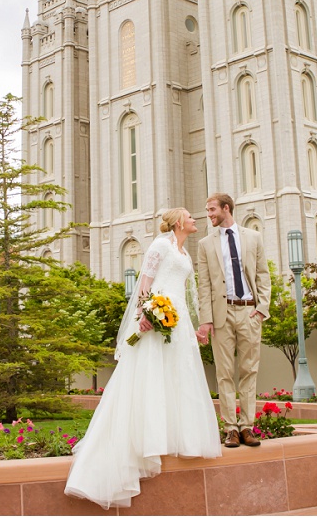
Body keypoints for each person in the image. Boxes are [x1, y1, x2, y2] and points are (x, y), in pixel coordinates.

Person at [64, 208, 221, 509]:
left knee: (179, 375)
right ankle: (145, 442)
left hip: (179, 320)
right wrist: (144, 313)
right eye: (190, 217)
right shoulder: (161, 245)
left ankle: (177, 437)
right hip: (155, 317)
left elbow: (186, 294)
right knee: (149, 376)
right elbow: (145, 281)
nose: (195, 220)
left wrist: (197, 326)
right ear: (178, 222)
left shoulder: (186, 255)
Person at [195, 192, 271, 448]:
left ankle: (247, 426)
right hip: (221, 314)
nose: (209, 214)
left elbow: (263, 274)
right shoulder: (205, 244)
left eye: (212, 209)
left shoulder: (253, 237)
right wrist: (206, 320)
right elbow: (203, 285)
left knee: (249, 370)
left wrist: (262, 308)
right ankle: (231, 429)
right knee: (224, 372)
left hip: (249, 311)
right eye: (207, 210)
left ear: (226, 208)